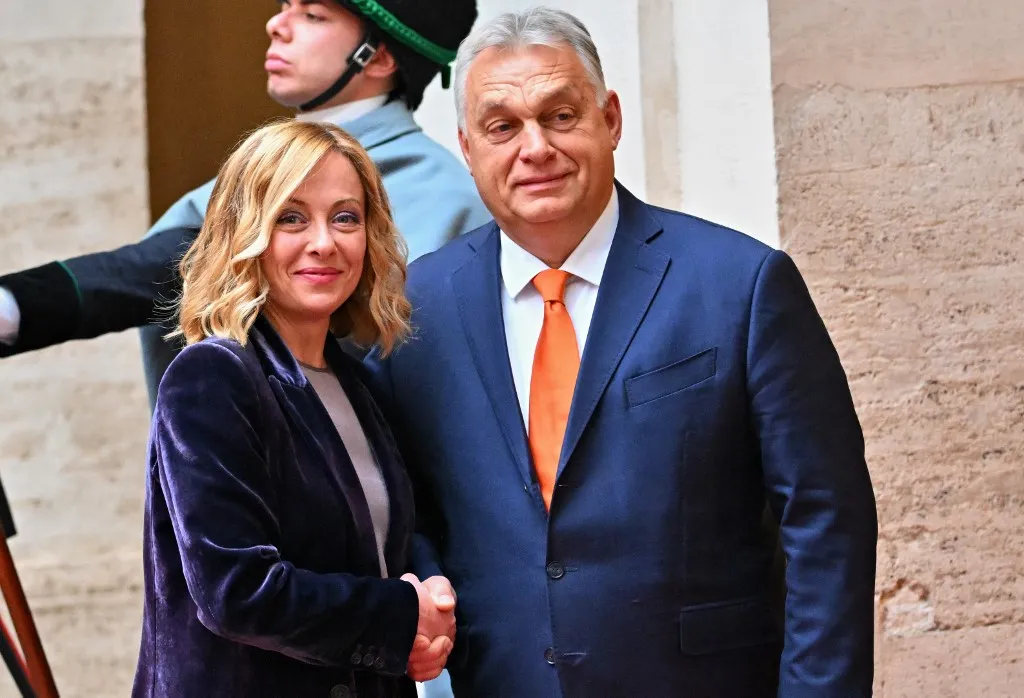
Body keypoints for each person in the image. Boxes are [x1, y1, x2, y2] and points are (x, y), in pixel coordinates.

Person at [366, 7, 879, 697]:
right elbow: (397, 504)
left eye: (560, 116)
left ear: (610, 118)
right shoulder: (414, 309)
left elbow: (826, 523)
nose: (535, 147)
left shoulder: (740, 285)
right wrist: (426, 593)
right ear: (467, 146)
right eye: (502, 127)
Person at [0, 0, 489, 409]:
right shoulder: (258, 169)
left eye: (312, 15)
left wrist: (19, 305)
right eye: (285, 6)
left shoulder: (444, 197)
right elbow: (169, 266)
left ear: (378, 57)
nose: (277, 25)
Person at [135, 119, 458, 698]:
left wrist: (432, 594)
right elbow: (236, 591)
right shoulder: (213, 375)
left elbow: (390, 543)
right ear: (245, 232)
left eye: (345, 217)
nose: (324, 242)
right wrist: (400, 616)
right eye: (291, 217)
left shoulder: (358, 383)